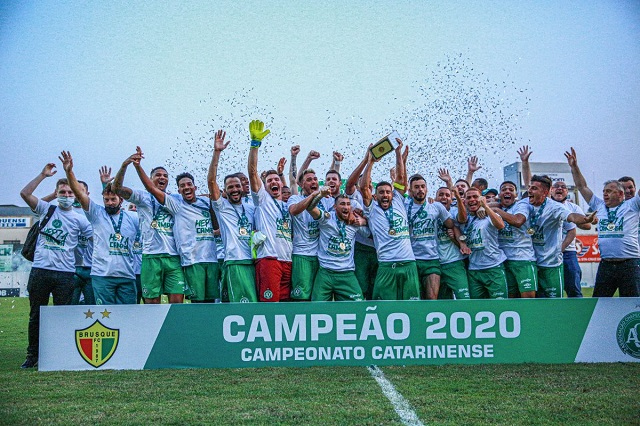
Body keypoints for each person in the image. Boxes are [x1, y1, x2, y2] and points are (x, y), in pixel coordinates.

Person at [19, 163, 91, 368]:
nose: (66, 195)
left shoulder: (80, 220)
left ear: (75, 195)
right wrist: (42, 175)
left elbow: (94, 239)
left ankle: (61, 353)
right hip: (41, 270)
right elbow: (25, 193)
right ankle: (33, 355)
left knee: (63, 316)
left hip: (65, 273)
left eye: (69, 192)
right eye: (62, 192)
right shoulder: (46, 208)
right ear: (56, 193)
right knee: (36, 315)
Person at [61, 151, 138, 304]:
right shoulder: (96, 214)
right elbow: (79, 193)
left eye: (113, 199)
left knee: (129, 317)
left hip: (127, 276)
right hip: (102, 276)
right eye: (106, 199)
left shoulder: (133, 217)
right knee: (106, 317)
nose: (109, 202)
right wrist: (69, 172)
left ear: (121, 199)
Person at [112, 147, 186, 304]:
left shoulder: (176, 199)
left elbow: (151, 189)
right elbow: (116, 189)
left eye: (165, 176)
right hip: (151, 256)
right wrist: (124, 166)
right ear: (150, 178)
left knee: (177, 305)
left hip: (173, 257)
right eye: (158, 175)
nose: (162, 178)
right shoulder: (141, 197)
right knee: (152, 305)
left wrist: (138, 166)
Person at [566, 148, 640, 296]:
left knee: (632, 304)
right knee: (599, 302)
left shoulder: (632, 205)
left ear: (620, 194)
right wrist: (574, 167)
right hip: (606, 264)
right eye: (604, 191)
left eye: (609, 191)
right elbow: (582, 187)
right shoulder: (599, 206)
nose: (605, 193)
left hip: (629, 263)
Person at [361, 138, 420, 300]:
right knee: (384, 308)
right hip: (387, 265)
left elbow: (401, 179)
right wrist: (370, 162)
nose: (386, 195)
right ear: (376, 195)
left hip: (408, 263)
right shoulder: (372, 208)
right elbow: (363, 186)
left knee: (412, 307)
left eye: (388, 191)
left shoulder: (398, 200)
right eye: (382, 192)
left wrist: (397, 153)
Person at [208, 129, 258, 302]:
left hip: (254, 262)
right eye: (230, 187)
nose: (235, 189)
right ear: (225, 191)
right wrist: (217, 153)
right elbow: (211, 181)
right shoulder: (221, 207)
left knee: (255, 304)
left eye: (237, 186)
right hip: (235, 262)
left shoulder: (251, 206)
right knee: (243, 305)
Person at [526, 174, 595, 298]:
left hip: (553, 260)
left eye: (534, 188)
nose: (529, 191)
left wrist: (585, 218)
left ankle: (575, 315)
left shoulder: (556, 207)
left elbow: (572, 218)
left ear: (545, 192)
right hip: (533, 259)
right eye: (530, 188)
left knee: (560, 296)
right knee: (536, 298)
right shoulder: (525, 204)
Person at [247, 120, 293, 302]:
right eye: (269, 181)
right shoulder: (262, 199)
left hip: (287, 260)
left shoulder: (286, 205)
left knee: (285, 305)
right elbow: (252, 172)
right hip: (269, 258)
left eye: (276, 180)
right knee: (269, 305)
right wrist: (255, 145)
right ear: (264, 186)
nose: (274, 182)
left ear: (281, 184)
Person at [165, 171, 220, 303]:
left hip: (212, 259)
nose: (186, 187)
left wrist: (212, 199)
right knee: (198, 302)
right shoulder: (177, 205)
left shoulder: (206, 201)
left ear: (195, 187)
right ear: (178, 190)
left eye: (189, 184)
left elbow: (216, 224)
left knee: (211, 301)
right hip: (192, 260)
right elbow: (155, 191)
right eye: (182, 185)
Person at [306, 190, 367, 301]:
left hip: (347, 273)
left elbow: (369, 232)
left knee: (359, 306)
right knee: (316, 308)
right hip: (325, 273)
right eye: (342, 204)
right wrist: (320, 195)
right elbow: (310, 207)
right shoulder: (326, 219)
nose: (346, 207)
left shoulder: (354, 222)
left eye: (348, 204)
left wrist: (364, 221)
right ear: (335, 206)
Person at [406, 173, 457, 299]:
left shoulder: (436, 207)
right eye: (416, 187)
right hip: (412, 259)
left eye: (423, 186)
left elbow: (451, 224)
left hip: (431, 259)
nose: (420, 190)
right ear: (411, 190)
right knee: (414, 299)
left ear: (427, 189)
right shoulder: (404, 206)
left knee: (432, 299)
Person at [461, 188, 508, 299]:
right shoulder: (465, 219)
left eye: (475, 197)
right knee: (477, 308)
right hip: (474, 270)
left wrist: (486, 207)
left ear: (481, 199)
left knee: (500, 306)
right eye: (468, 197)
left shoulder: (488, 215)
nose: (472, 199)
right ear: (465, 202)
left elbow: (501, 225)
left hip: (493, 267)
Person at [493, 181, 538, 298]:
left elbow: (517, 221)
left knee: (528, 297)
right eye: (504, 189)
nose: (507, 191)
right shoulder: (494, 209)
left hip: (523, 259)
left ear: (516, 194)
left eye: (511, 189)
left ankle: (530, 317)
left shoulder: (521, 206)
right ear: (499, 195)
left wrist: (497, 211)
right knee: (510, 298)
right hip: (504, 260)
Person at [434, 169, 471, 299]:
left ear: (451, 199)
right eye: (441, 195)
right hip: (435, 264)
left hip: (455, 263)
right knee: (442, 303)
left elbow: (461, 221)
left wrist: (461, 242)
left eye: (447, 195)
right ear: (435, 199)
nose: (444, 197)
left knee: (464, 299)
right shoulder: (430, 211)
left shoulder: (455, 211)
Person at [550, 180, 590, 297]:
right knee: (550, 291)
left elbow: (585, 226)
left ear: (567, 192)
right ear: (551, 190)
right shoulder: (545, 206)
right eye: (556, 186)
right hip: (546, 253)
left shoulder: (572, 207)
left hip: (567, 252)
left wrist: (583, 220)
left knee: (573, 288)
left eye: (563, 187)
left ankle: (578, 313)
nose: (560, 188)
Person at [287, 169, 321, 301]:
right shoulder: (295, 198)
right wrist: (313, 196)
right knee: (301, 296)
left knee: (318, 297)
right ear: (301, 184)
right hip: (302, 255)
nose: (313, 181)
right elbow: (294, 210)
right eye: (309, 180)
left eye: (315, 179)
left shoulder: (324, 200)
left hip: (320, 256)